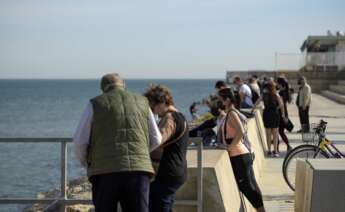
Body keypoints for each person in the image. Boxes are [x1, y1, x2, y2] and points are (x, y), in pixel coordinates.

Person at [73, 73, 162, 212]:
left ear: (103, 89)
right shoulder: (143, 102)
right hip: (138, 171)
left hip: (104, 172)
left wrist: (88, 162)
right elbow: (157, 138)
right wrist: (140, 154)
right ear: (124, 85)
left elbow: (79, 141)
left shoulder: (95, 103)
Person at [218, 88, 265, 212]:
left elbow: (241, 131)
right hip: (242, 154)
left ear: (227, 99)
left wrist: (229, 147)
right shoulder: (231, 112)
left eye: (220, 98)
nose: (219, 101)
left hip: (239, 155)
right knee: (251, 186)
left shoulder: (232, 113)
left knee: (247, 187)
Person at [144, 85, 189, 212]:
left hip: (168, 171)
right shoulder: (180, 116)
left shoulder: (170, 118)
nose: (152, 111)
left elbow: (157, 141)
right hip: (177, 169)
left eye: (152, 107)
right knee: (165, 204)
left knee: (158, 204)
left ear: (162, 102)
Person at [253, 81, 287, 157]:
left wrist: (252, 109)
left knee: (268, 134)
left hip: (267, 114)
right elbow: (281, 105)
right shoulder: (276, 95)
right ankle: (275, 151)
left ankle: (269, 150)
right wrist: (282, 114)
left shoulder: (264, 95)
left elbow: (257, 102)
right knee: (275, 134)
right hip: (275, 114)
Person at [277, 76, 292, 151]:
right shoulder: (286, 92)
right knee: (280, 131)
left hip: (281, 113)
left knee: (278, 131)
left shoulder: (281, 93)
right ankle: (288, 146)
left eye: (278, 83)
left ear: (280, 84)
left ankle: (277, 148)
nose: (277, 85)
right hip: (284, 113)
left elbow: (281, 105)